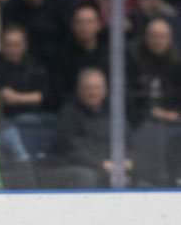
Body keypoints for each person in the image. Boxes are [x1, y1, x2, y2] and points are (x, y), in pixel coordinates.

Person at [48, 68, 126, 188]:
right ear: (79, 90)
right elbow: (71, 149)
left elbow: (128, 141)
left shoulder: (113, 113)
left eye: (96, 88)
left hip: (111, 165)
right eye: (88, 88)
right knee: (86, 176)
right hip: (77, 166)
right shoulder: (69, 113)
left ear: (104, 91)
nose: (92, 92)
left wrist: (128, 160)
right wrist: (102, 164)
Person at [128, 18, 181, 187]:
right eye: (154, 36)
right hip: (141, 120)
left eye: (162, 36)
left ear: (170, 38)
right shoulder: (133, 59)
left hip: (174, 120)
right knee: (148, 134)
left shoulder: (177, 61)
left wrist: (176, 113)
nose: (158, 40)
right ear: (146, 37)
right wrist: (150, 111)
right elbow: (129, 95)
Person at [56, 4, 108, 95]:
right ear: (73, 26)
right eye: (80, 22)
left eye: (89, 22)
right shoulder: (62, 56)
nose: (84, 27)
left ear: (99, 25)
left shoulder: (109, 55)